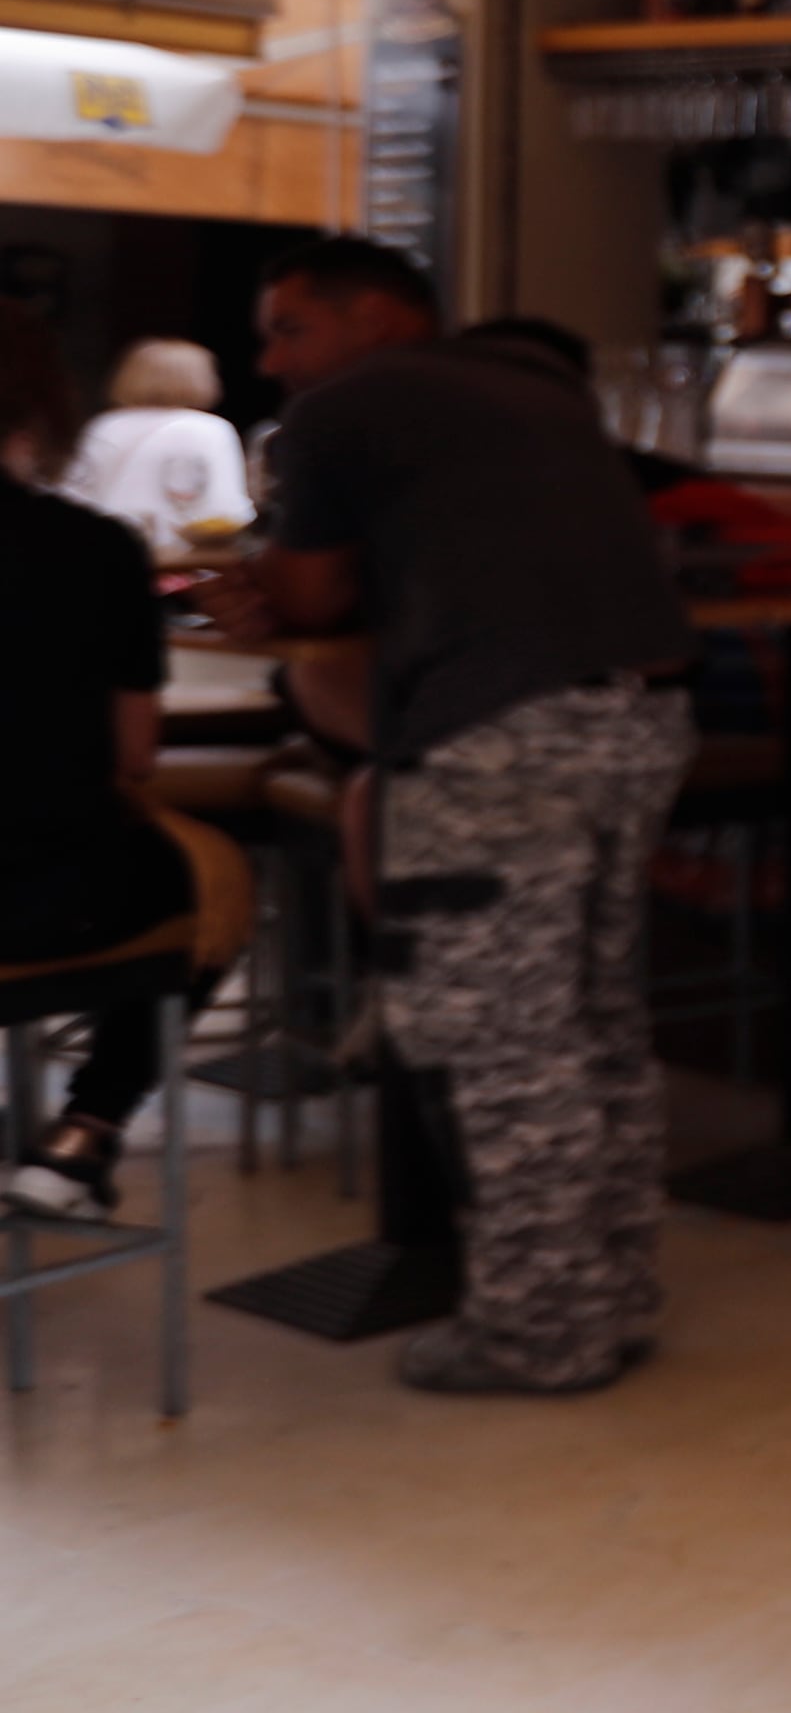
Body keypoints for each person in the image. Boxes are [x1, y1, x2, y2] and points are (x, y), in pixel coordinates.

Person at [213, 236, 696, 1396]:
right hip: (646, 718)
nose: (271, 359)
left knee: (502, 1045)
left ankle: (542, 1335)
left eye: (291, 328)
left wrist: (255, 597)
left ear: (379, 316)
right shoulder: (537, 394)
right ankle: (613, 1297)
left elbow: (309, 594)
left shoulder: (344, 412)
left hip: (503, 732)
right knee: (594, 1025)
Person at [1, 311, 204, 1219]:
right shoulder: (97, 549)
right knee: (209, 879)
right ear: (45, 406)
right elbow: (135, 756)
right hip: (48, 903)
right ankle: (83, 1130)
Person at [59, 336, 252, 559]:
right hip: (184, 564)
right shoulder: (210, 429)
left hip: (109, 558)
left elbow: (75, 497)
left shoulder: (103, 426)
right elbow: (225, 510)